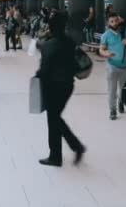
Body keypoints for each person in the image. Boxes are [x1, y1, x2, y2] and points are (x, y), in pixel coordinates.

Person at [36, 10, 86, 167]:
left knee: (54, 119)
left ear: (50, 27)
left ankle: (62, 153)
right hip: (68, 86)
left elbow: (44, 71)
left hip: (53, 87)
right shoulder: (70, 41)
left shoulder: (48, 46)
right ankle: (65, 151)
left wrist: (37, 78)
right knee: (55, 118)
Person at [100, 12, 126, 120]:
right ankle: (112, 110)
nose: (115, 23)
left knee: (123, 89)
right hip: (112, 66)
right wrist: (106, 53)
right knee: (112, 89)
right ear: (108, 22)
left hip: (125, 66)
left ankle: (121, 101)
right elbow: (101, 49)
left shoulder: (125, 31)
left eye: (116, 20)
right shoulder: (106, 35)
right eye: (112, 21)